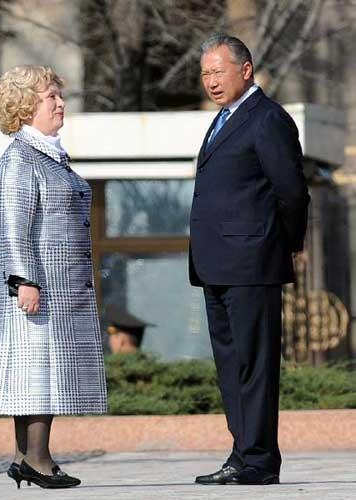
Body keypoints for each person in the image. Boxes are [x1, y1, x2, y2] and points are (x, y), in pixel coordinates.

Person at [0, 65, 107, 489]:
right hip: (36, 284)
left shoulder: (46, 154)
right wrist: (23, 279)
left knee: (38, 371)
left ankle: (26, 458)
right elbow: (12, 224)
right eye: (51, 97)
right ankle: (37, 460)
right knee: (36, 372)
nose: (60, 103)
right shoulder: (20, 158)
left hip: (55, 284)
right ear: (27, 106)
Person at [189, 34, 310, 486]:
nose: (210, 82)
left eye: (218, 71)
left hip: (252, 261)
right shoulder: (224, 118)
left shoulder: (267, 119)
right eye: (204, 74)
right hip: (217, 263)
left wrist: (287, 243)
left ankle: (258, 460)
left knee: (254, 365)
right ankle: (242, 454)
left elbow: (292, 191)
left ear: (245, 69)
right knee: (231, 364)